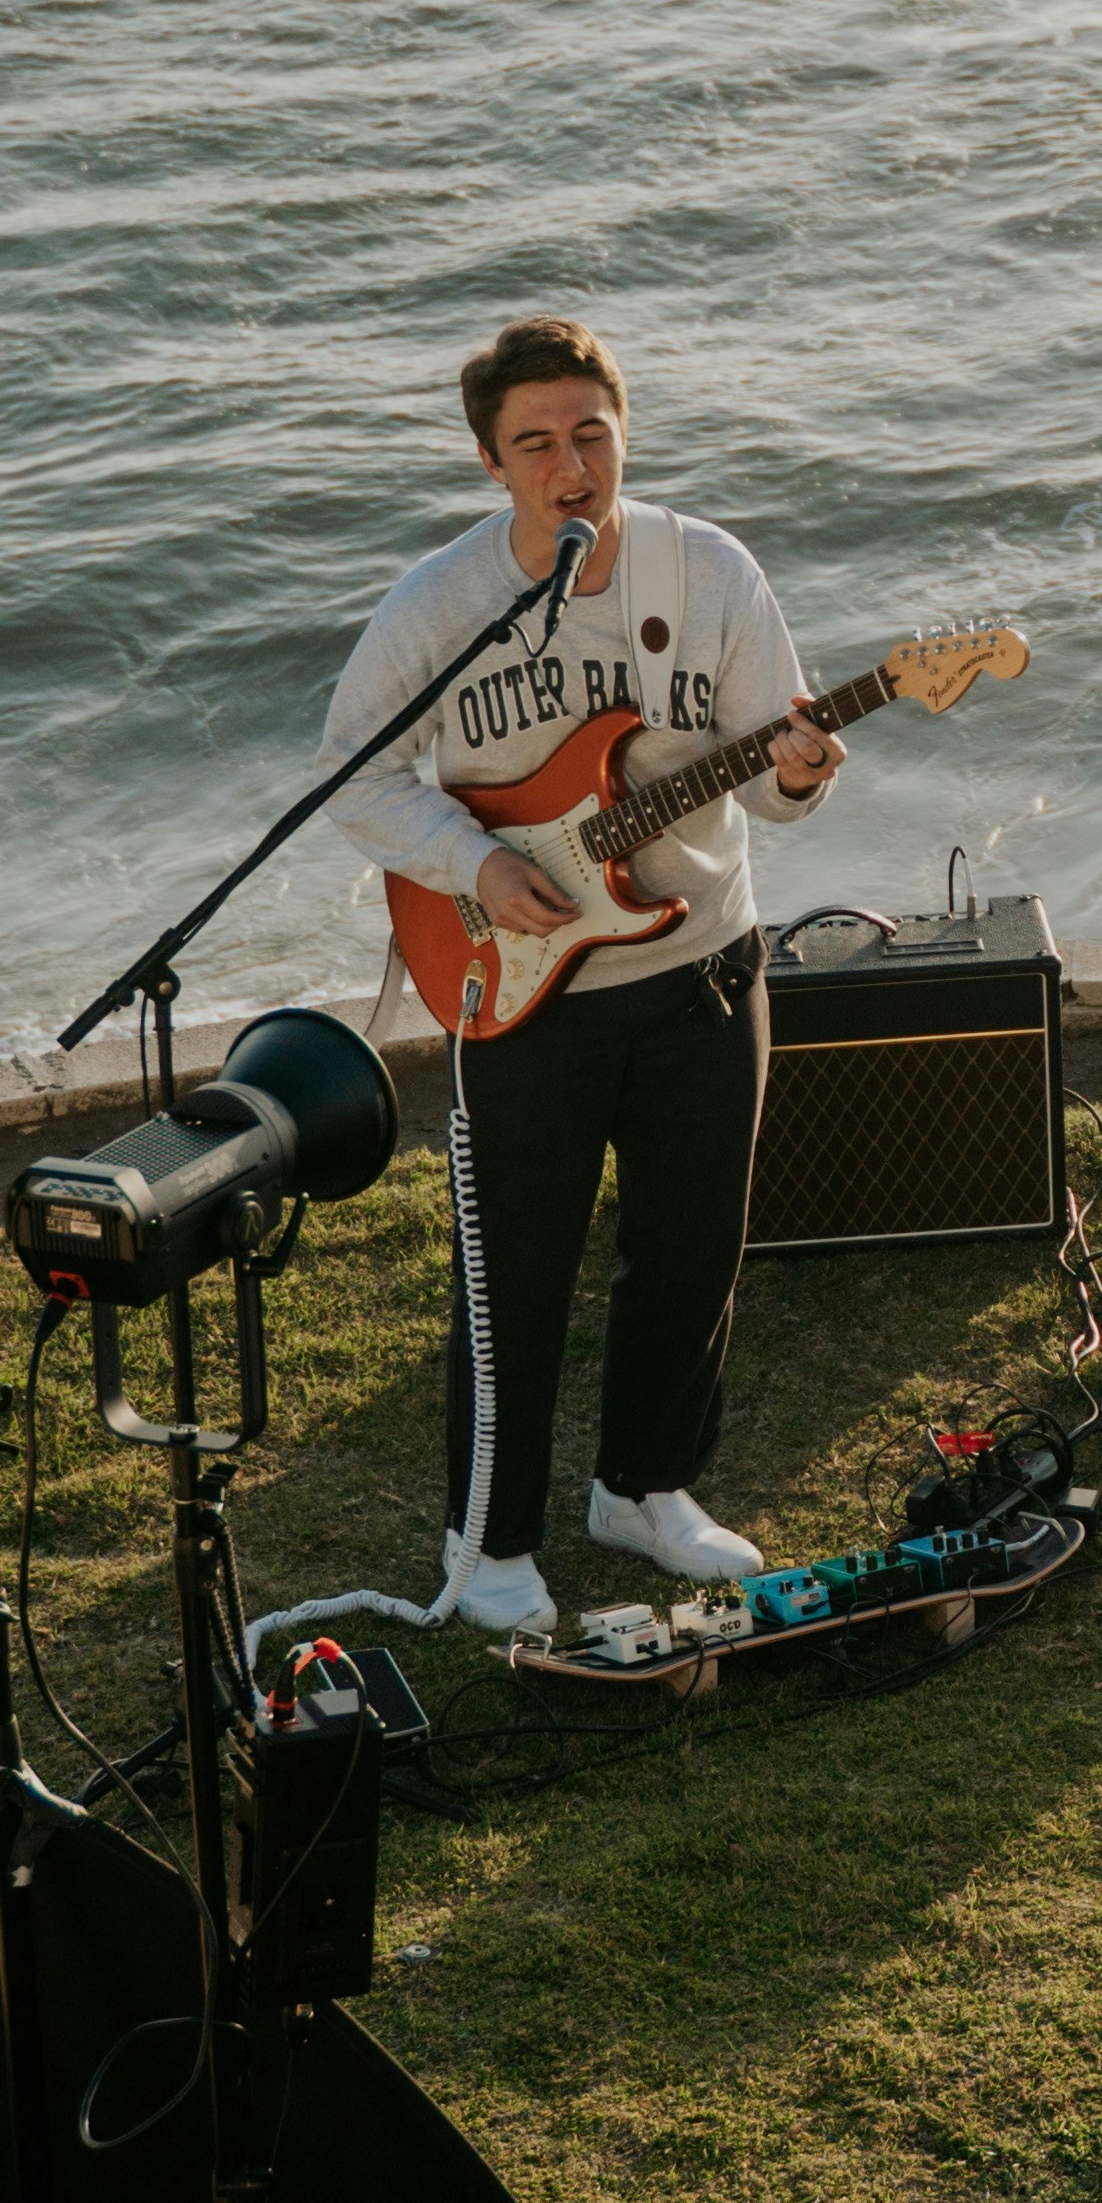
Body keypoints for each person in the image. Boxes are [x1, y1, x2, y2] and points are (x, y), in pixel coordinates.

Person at [323, 314, 843, 1645]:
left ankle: (644, 1487)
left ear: (626, 434)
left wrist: (794, 775)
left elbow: (773, 784)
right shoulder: (443, 604)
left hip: (703, 971)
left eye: (592, 434)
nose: (573, 466)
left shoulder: (710, 573)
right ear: (492, 462)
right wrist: (475, 868)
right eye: (538, 443)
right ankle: (489, 1540)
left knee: (691, 1250)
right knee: (515, 1278)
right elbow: (359, 775)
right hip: (517, 992)